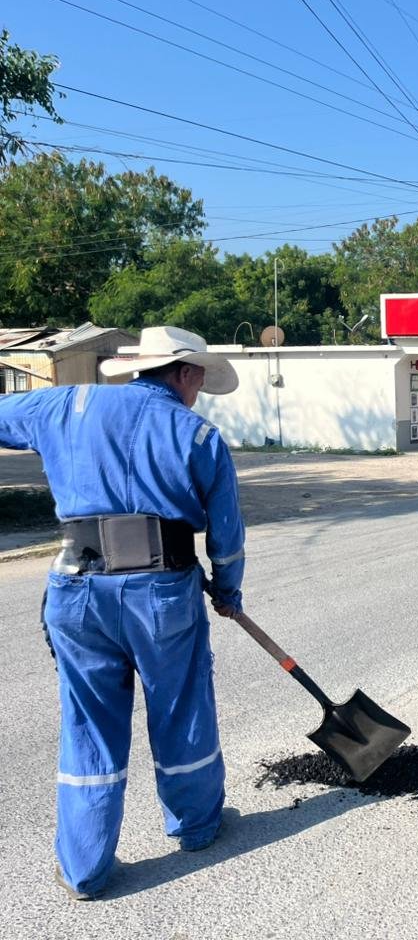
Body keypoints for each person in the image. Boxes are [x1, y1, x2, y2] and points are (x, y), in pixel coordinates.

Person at [0, 326, 246, 901]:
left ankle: (84, 869)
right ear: (184, 372)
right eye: (199, 379)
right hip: (162, 594)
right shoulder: (198, 434)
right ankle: (196, 825)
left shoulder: (65, 403)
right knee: (181, 706)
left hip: (78, 588)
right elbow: (227, 537)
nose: (199, 390)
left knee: (89, 722)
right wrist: (229, 590)